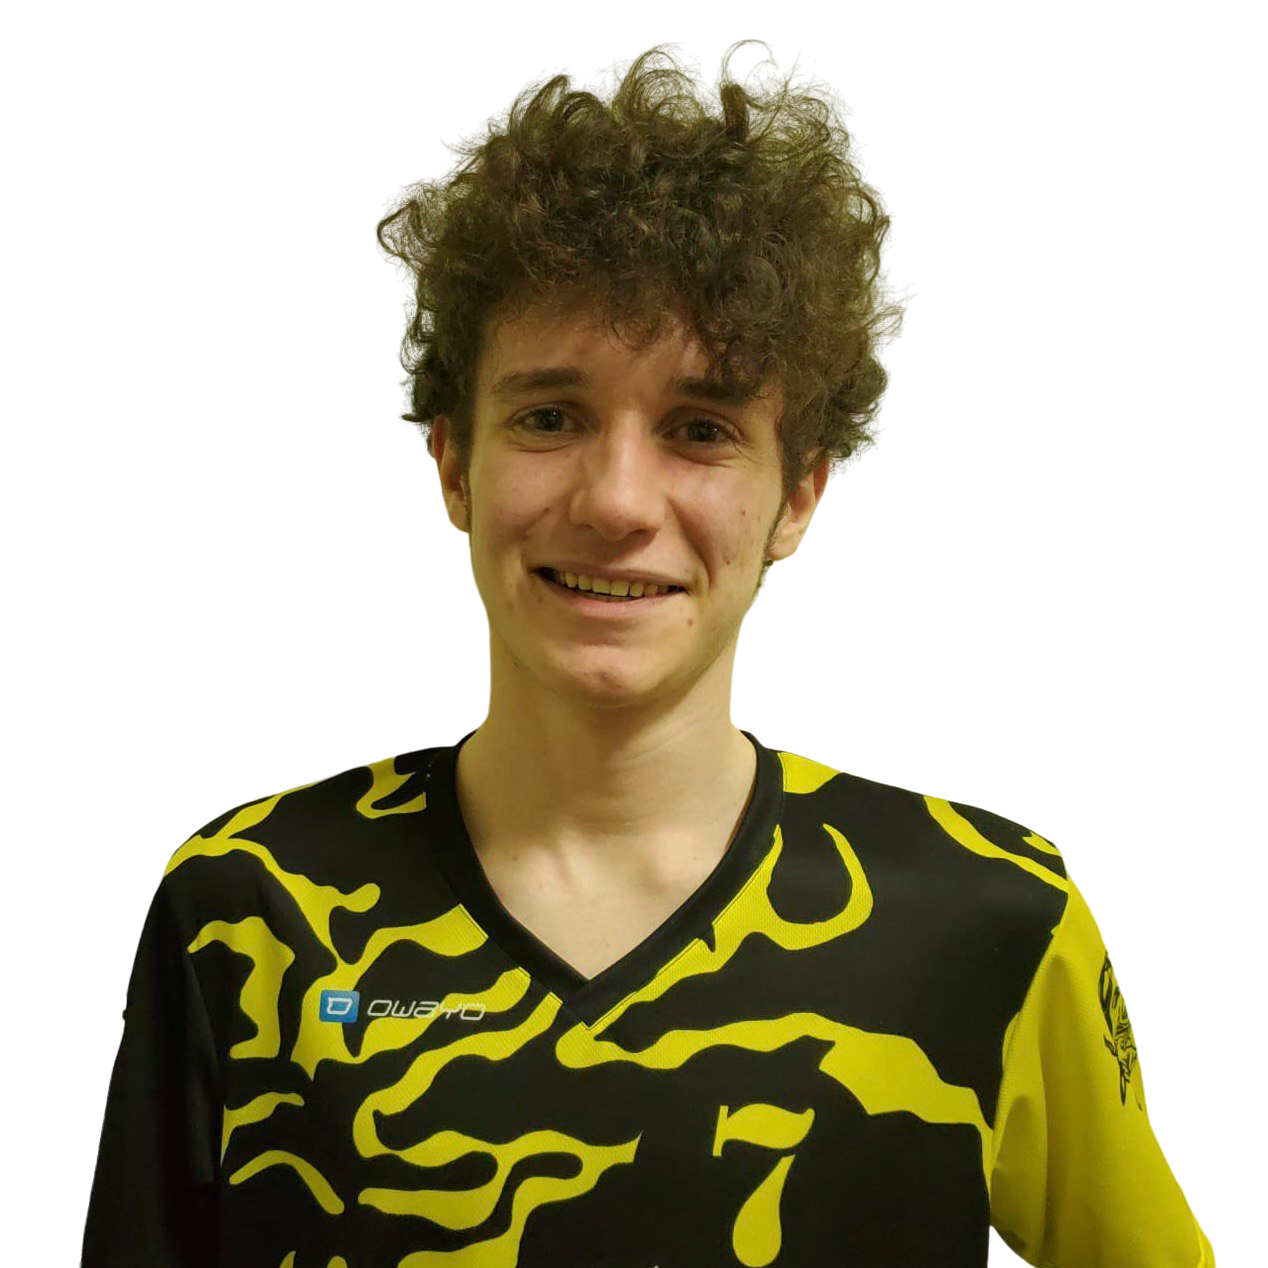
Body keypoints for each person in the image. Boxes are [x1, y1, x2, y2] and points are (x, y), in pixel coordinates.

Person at [83, 40, 1216, 1266]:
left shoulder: (998, 914)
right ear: (452, 465)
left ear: (800, 496)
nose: (618, 499)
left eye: (700, 427)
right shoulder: (245, 903)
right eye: (548, 416)